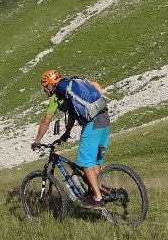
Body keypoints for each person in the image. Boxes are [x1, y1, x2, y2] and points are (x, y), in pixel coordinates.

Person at [30, 69, 110, 209]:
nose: (44, 91)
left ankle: (98, 199)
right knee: (95, 162)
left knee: (85, 164)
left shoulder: (57, 95)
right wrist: (67, 133)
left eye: (44, 87)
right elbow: (73, 112)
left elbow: (46, 121)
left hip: (92, 124)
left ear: (49, 85)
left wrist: (37, 141)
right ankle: (102, 191)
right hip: (104, 119)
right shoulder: (70, 86)